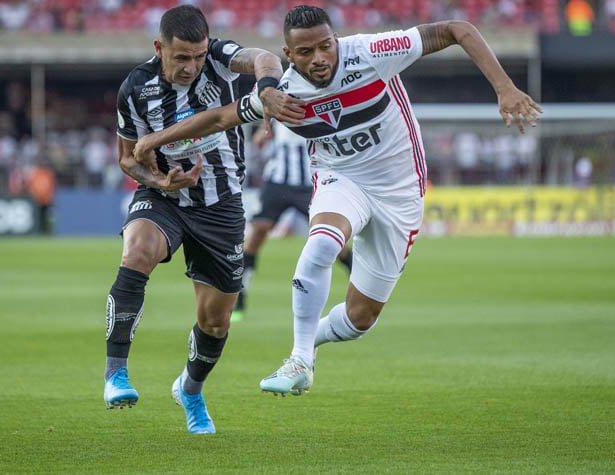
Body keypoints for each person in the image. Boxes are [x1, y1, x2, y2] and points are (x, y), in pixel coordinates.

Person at [132, 5, 542, 397]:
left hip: (400, 189)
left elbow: (456, 29)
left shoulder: (371, 53)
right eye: (306, 52)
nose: (320, 57)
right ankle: (298, 360)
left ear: (337, 40)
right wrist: (153, 139)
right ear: (289, 55)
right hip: (340, 178)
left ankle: (311, 346)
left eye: (326, 45)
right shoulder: (284, 92)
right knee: (323, 243)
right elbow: (220, 117)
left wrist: (504, 88)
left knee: (361, 319)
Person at [103, 4, 305, 434]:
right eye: (181, 58)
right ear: (159, 48)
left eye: (198, 56)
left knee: (215, 320)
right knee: (138, 248)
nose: (192, 66)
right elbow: (127, 158)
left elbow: (266, 58)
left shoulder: (218, 59)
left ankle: (190, 390)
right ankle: (115, 372)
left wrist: (267, 85)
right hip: (166, 198)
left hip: (223, 205)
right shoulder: (135, 89)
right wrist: (158, 181)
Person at [232, 120, 352, 322]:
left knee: (332, 239)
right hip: (277, 182)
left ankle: (360, 280)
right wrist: (262, 136)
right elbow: (260, 138)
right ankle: (240, 296)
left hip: (309, 184)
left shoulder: (318, 108)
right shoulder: (281, 106)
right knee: (258, 232)